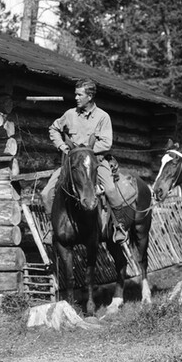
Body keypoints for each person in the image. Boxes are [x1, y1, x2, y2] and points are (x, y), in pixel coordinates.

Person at [41, 79, 128, 243]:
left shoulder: (103, 117)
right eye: (76, 94)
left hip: (96, 162)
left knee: (110, 189)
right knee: (46, 193)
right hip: (72, 164)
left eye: (79, 95)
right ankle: (52, 228)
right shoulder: (70, 114)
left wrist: (84, 152)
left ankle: (119, 226)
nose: (76, 98)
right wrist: (62, 146)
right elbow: (53, 129)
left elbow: (106, 143)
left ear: (90, 96)